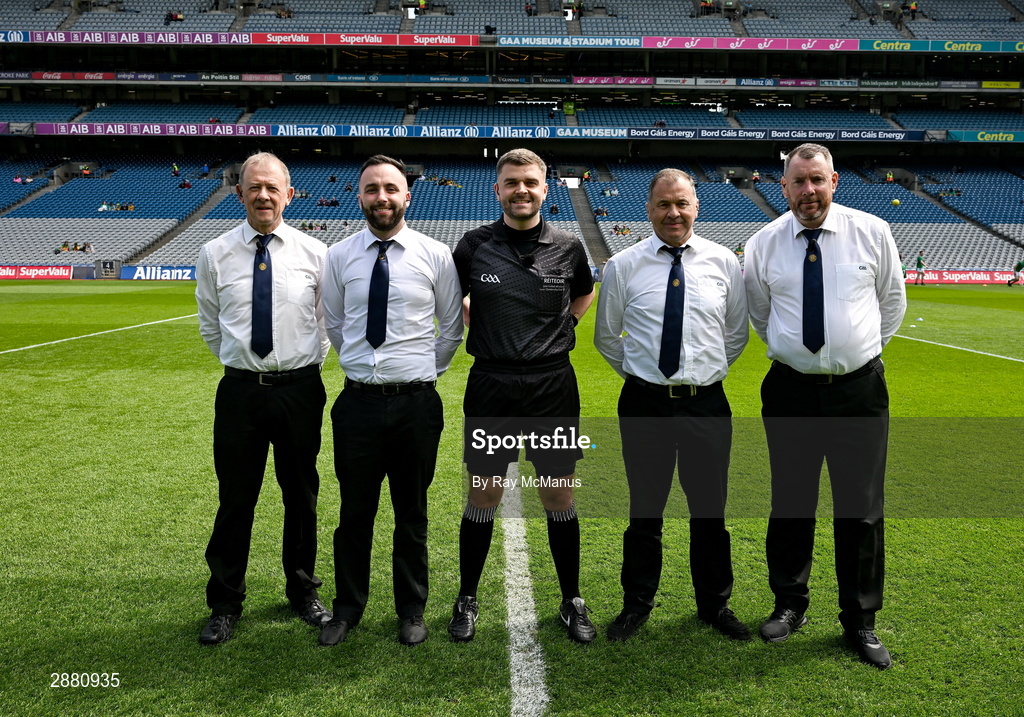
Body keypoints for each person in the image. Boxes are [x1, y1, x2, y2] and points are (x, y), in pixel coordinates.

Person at [743, 143, 906, 670]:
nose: (809, 191)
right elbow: (763, 316)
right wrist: (805, 357)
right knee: (790, 500)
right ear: (782, 185)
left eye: (818, 180)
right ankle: (790, 604)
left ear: (833, 181)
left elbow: (891, 304)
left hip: (858, 390)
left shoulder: (873, 231)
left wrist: (849, 356)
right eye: (798, 182)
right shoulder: (762, 243)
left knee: (860, 508)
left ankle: (860, 619)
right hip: (790, 389)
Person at [448, 148, 597, 644]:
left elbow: (583, 292)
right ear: (498, 190)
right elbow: (453, 300)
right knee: (484, 493)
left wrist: (566, 325)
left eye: (530, 182)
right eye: (512, 182)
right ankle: (467, 597)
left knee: (558, 493)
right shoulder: (472, 247)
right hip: (491, 385)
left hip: (552, 386)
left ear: (544, 189)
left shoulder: (570, 246)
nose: (521, 190)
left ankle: (571, 599)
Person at [595, 169, 750, 642]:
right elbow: (607, 337)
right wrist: (646, 377)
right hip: (644, 405)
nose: (673, 213)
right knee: (645, 511)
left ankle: (714, 605)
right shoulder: (623, 265)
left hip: (706, 405)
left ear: (696, 207)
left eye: (682, 203)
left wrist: (697, 375)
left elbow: (736, 334)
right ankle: (636, 604)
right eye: (664, 204)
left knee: (710, 511)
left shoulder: (724, 262)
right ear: (649, 209)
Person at [319, 155, 463, 647]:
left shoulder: (435, 254)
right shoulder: (338, 256)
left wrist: (422, 374)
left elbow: (451, 327)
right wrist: (364, 368)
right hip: (357, 404)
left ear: (407, 196)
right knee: (354, 514)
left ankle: (411, 609)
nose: (381, 197)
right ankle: (347, 608)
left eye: (390, 189)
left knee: (412, 513)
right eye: (372, 189)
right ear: (360, 197)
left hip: (416, 406)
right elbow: (336, 324)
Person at [194, 152, 333, 646]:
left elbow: (326, 326)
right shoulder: (215, 254)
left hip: (299, 389)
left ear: (289, 195)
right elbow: (212, 326)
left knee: (302, 495)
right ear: (240, 194)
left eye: (273, 188)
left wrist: (295, 364)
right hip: (240, 392)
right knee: (235, 499)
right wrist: (248, 365)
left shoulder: (316, 253)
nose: (264, 196)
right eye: (254, 187)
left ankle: (303, 591)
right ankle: (225, 602)